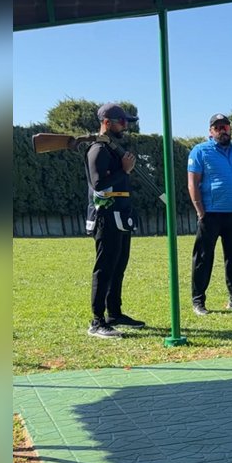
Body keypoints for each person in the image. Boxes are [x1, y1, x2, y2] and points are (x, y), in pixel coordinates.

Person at [84, 102, 145, 338]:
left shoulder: (111, 148)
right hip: (106, 215)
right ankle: (97, 321)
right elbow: (98, 184)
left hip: (120, 214)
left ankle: (114, 313)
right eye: (122, 122)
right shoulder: (98, 149)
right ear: (107, 122)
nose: (125, 126)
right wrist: (125, 170)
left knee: (119, 266)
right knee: (105, 268)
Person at [187, 113, 232, 315]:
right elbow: (192, 182)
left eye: (225, 127)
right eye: (217, 127)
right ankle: (198, 301)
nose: (222, 130)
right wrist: (200, 211)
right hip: (211, 213)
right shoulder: (200, 151)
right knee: (203, 257)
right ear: (210, 131)